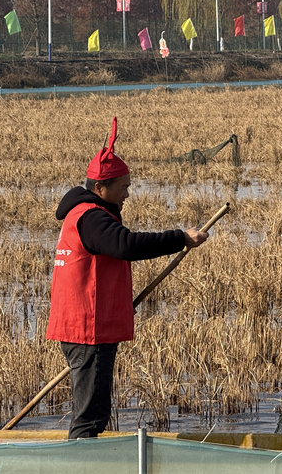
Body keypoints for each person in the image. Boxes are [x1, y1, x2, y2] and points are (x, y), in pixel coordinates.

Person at [46, 117, 208, 439]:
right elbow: (126, 245)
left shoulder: (86, 213)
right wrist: (180, 237)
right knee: (91, 419)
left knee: (93, 413)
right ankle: (79, 465)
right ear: (100, 188)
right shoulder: (91, 218)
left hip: (86, 326)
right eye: (123, 188)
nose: (127, 194)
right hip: (87, 331)